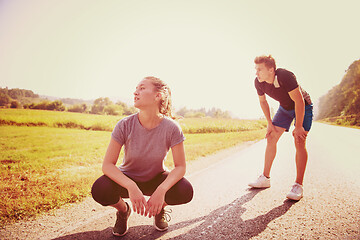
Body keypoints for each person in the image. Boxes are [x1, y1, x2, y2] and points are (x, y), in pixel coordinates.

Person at [91, 76, 193, 236]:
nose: (135, 92)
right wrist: (131, 186)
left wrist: (161, 190)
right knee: (100, 189)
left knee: (185, 190)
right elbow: (107, 165)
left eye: (142, 88)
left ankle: (159, 209)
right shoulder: (124, 124)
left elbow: (180, 167)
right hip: (128, 178)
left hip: (156, 178)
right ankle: (123, 211)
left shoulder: (172, 128)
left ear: (158, 95)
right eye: (136, 88)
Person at [248, 55, 313, 201]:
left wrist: (298, 126)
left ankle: (298, 185)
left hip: (303, 106)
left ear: (271, 70)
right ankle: (265, 178)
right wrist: (269, 123)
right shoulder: (258, 82)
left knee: (299, 140)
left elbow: (299, 101)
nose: (256, 73)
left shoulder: (285, 76)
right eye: (255, 69)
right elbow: (263, 102)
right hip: (284, 108)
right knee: (271, 137)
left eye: (260, 69)